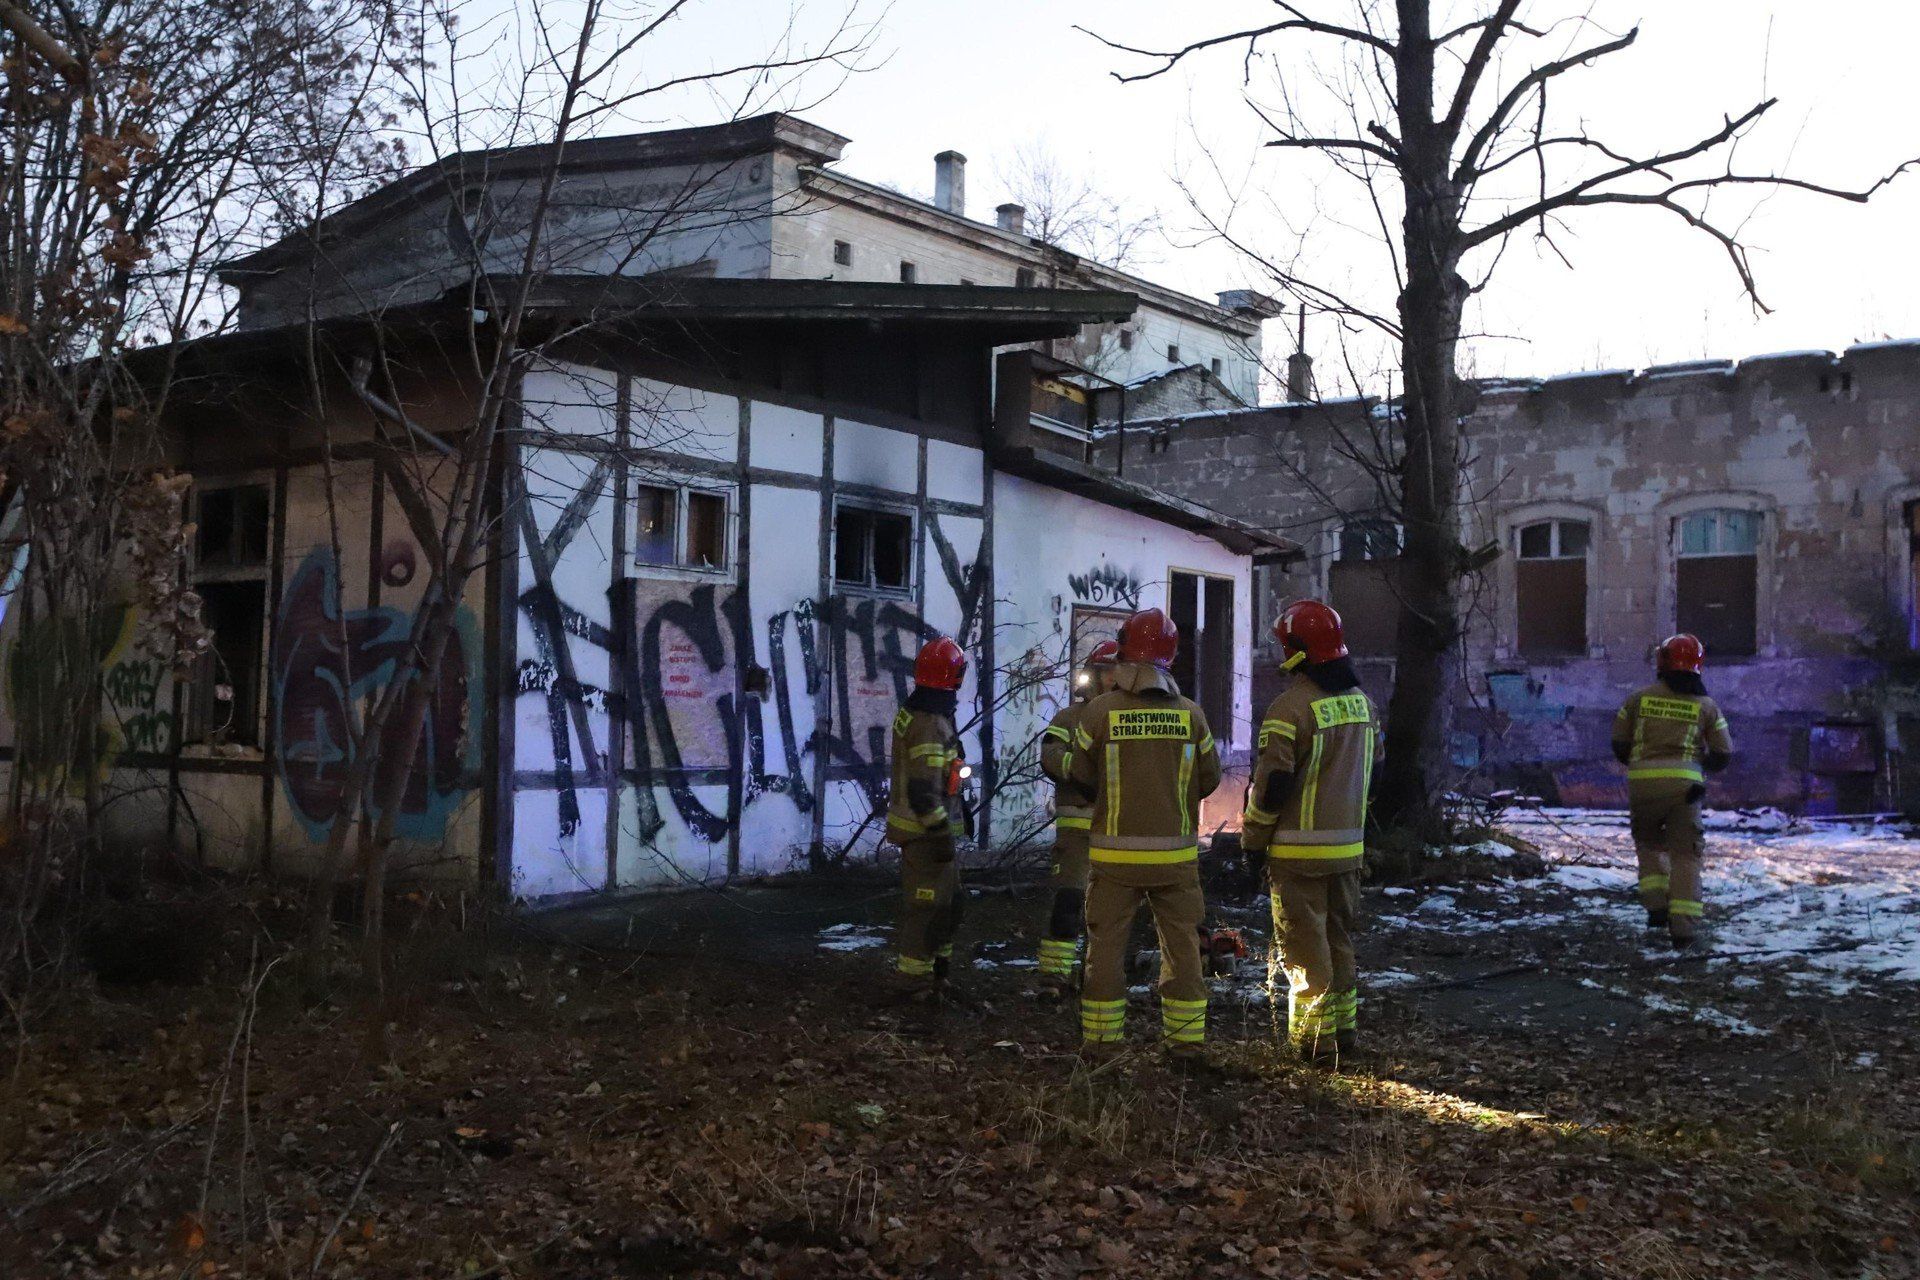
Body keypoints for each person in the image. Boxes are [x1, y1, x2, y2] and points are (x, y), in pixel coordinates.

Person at [1068, 608, 1220, 1057]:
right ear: (1170, 658)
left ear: (1125, 651)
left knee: (1106, 950)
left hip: (1114, 862)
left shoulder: (1099, 713)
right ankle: (1186, 1045)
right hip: (1175, 861)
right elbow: (1208, 781)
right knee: (1184, 951)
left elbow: (1079, 776)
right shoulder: (1192, 716)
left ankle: (1101, 1043)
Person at [1241, 599, 1380, 1063]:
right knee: (1339, 940)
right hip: (1348, 852)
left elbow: (1272, 786)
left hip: (1297, 855)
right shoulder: (1361, 704)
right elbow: (1372, 770)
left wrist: (1252, 842)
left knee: (1304, 949)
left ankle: (1314, 1045)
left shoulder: (1289, 708)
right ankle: (1345, 1036)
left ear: (1298, 652)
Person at [1612, 633, 1734, 948]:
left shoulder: (1637, 699)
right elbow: (1723, 752)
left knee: (1648, 844)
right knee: (1685, 855)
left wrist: (1642, 767)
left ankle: (1656, 907)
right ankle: (1683, 930)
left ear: (1661, 662)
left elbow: (1619, 744)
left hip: (1643, 786)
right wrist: (1698, 768)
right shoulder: (1707, 705)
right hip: (1686, 789)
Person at [1035, 639, 1120, 988]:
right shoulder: (1069, 718)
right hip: (1076, 838)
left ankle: (1096, 976)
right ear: (1095, 676)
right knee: (1068, 905)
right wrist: (1080, 770)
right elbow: (1050, 756)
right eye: (1109, 672)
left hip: (1116, 835)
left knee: (1109, 913)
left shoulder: (1124, 718)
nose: (1115, 679)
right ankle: (1054, 978)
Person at [888, 636, 969, 996]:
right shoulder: (930, 724)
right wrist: (940, 836)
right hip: (926, 836)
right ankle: (913, 982)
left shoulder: (919, 712)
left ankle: (938, 974)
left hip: (929, 832)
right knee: (926, 907)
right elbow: (923, 792)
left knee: (948, 903)